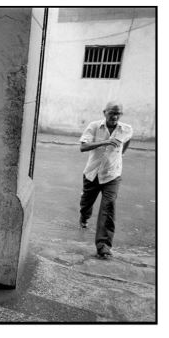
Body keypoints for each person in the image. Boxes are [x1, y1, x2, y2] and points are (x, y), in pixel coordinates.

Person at [78, 101, 133, 259]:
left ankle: (103, 246)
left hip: (112, 175)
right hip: (92, 174)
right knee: (86, 203)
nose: (115, 116)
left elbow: (127, 140)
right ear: (104, 112)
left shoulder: (126, 129)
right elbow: (83, 147)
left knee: (108, 207)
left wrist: (121, 154)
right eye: (111, 113)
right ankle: (84, 216)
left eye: (118, 113)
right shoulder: (94, 126)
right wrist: (105, 142)